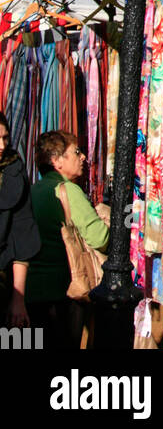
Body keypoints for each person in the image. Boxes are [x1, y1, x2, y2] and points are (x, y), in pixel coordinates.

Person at [26, 129, 110, 349]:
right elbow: (99, 238)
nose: (83, 157)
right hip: (63, 294)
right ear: (56, 161)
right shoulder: (68, 190)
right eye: (76, 152)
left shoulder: (32, 191)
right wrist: (108, 220)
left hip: (30, 296)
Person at [0, 111, 40, 329]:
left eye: (5, 138)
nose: (2, 145)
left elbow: (22, 234)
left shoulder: (13, 169)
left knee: (17, 341)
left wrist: (18, 299)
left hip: (3, 285)